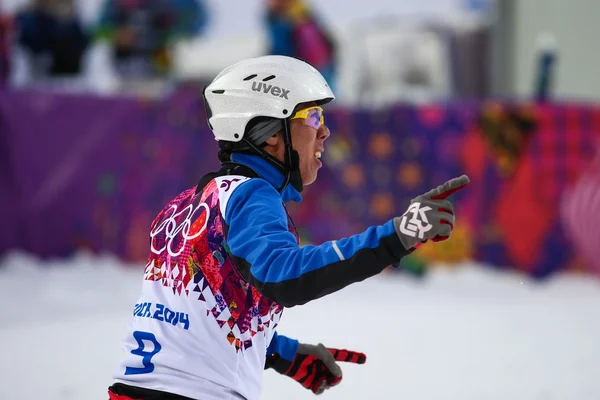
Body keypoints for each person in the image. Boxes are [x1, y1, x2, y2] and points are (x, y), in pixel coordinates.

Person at [108, 55, 469, 400]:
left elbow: (195, 320)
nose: (325, 131)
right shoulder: (253, 195)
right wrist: (396, 236)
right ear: (270, 135)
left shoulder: (186, 204)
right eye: (313, 117)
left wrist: (284, 354)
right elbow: (284, 276)